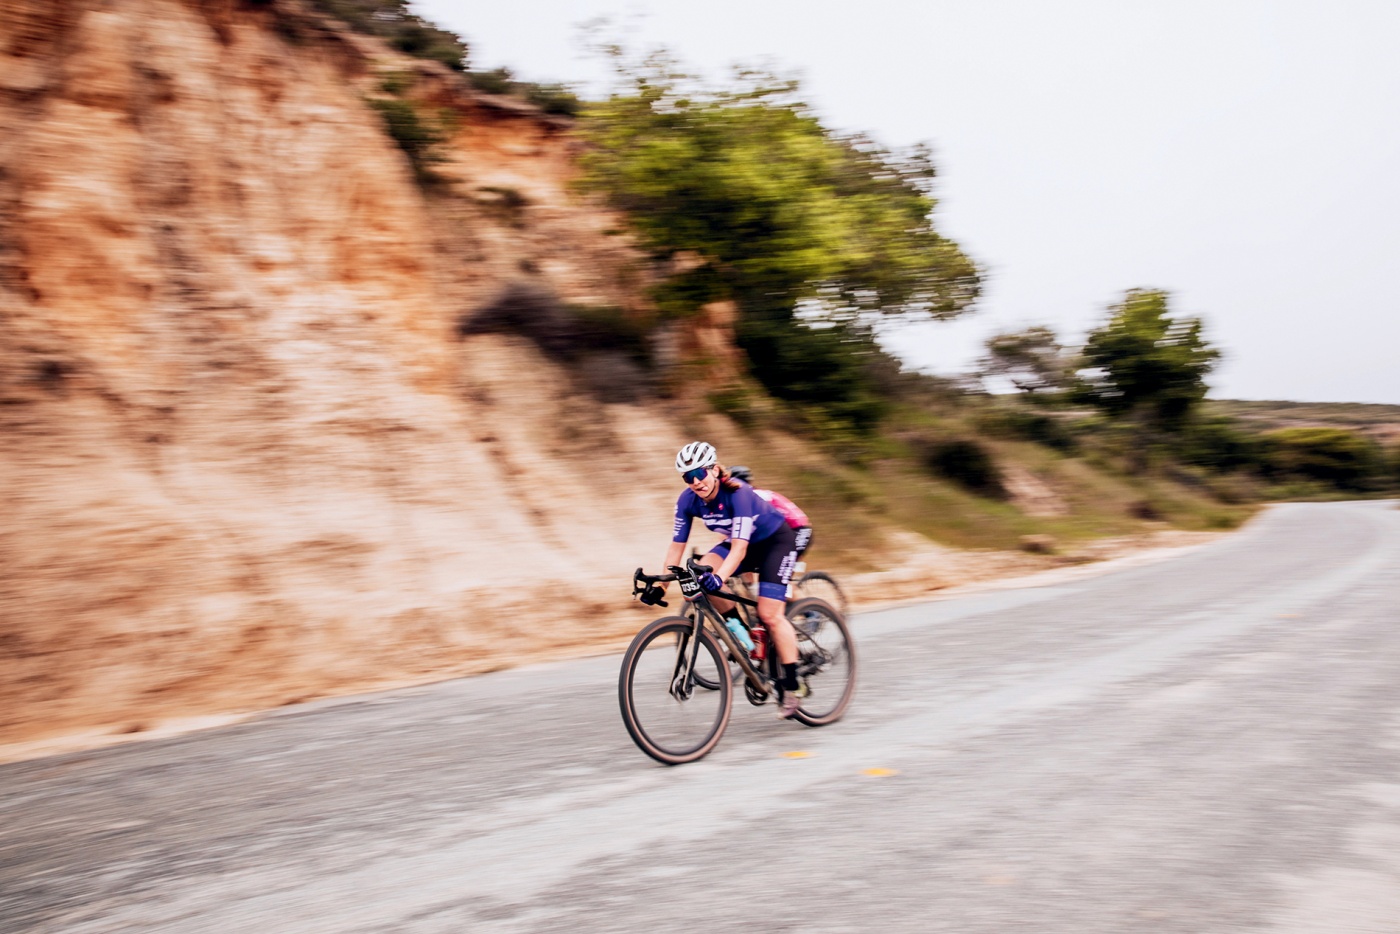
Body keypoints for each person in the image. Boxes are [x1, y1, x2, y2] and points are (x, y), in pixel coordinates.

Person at [651, 441, 807, 718]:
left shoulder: (739, 493)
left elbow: (739, 548)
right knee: (697, 575)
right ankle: (742, 635)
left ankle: (793, 686)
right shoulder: (687, 500)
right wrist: (661, 585)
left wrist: (720, 577)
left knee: (769, 614)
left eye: (699, 474)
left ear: (713, 469)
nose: (695, 482)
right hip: (740, 545)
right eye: (688, 477)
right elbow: (676, 547)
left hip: (774, 543)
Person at [725, 466, 813, 558]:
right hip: (790, 529)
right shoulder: (754, 493)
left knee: (785, 560)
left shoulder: (754, 495)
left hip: (798, 530)